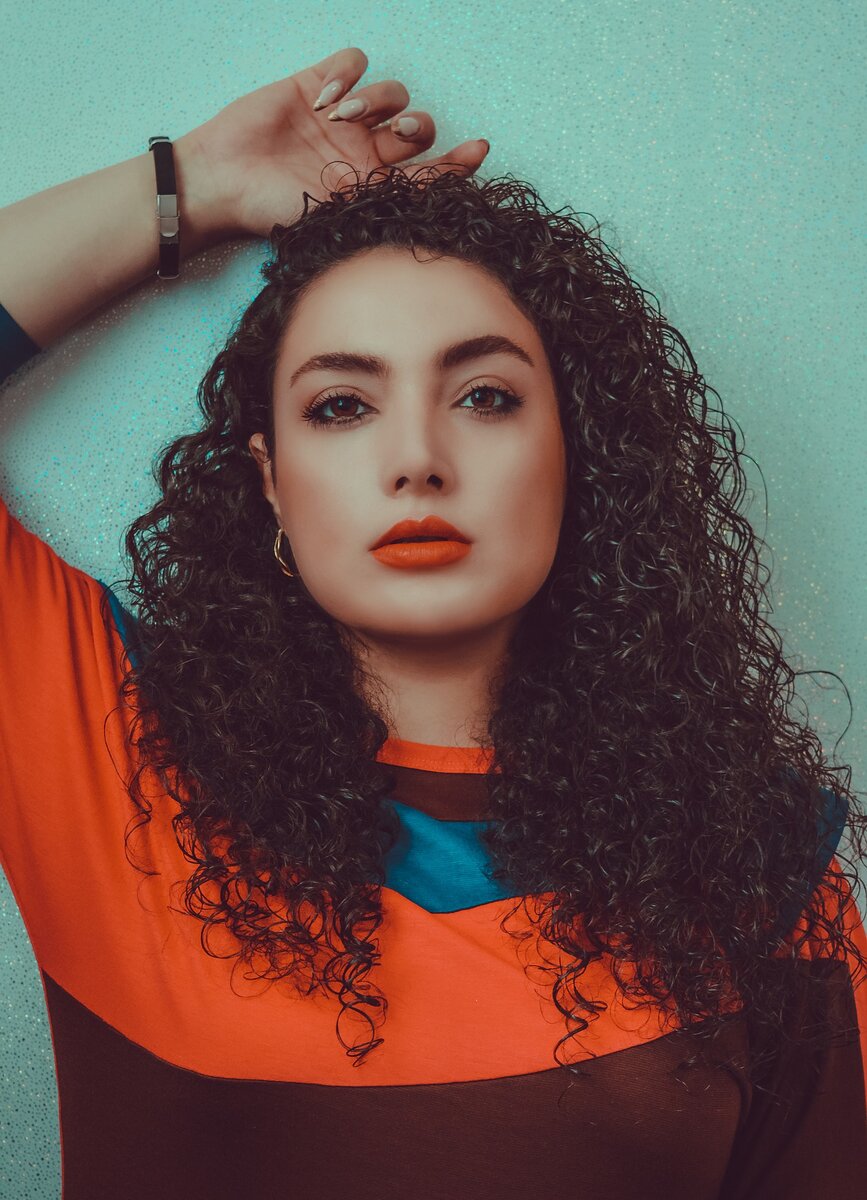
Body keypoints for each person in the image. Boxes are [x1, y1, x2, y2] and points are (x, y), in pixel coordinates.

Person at [0, 45, 865, 1200]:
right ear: (269, 483)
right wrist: (191, 183)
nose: (417, 458)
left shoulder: (760, 863)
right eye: (342, 405)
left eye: (486, 396)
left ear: (577, 459)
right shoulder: (114, 754)